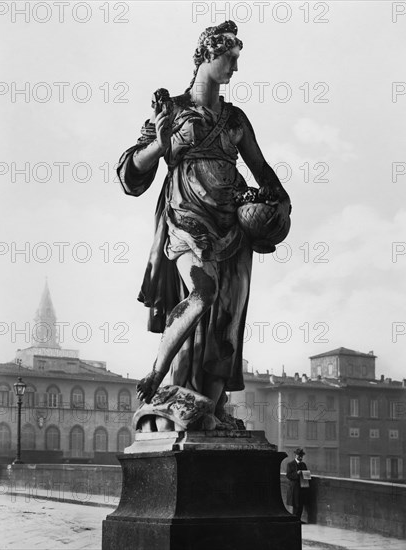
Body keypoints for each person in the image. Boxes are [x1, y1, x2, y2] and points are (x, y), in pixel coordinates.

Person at [117, 21, 290, 430]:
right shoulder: (171, 110)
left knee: (227, 322)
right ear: (207, 55)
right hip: (188, 219)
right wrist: (161, 143)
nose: (234, 67)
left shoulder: (235, 119)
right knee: (203, 292)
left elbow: (264, 171)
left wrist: (279, 205)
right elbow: (129, 174)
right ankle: (161, 381)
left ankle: (207, 407)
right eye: (228, 58)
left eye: (236, 59)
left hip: (234, 226)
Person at [286, 448, 309, 520]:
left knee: (301, 505)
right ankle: (295, 520)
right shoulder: (290, 464)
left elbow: (306, 476)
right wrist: (296, 473)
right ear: (296, 455)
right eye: (299, 456)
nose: (301, 458)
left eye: (302, 456)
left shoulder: (303, 464)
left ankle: (298, 519)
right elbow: (288, 475)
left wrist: (307, 474)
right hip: (295, 488)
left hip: (302, 487)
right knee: (296, 505)